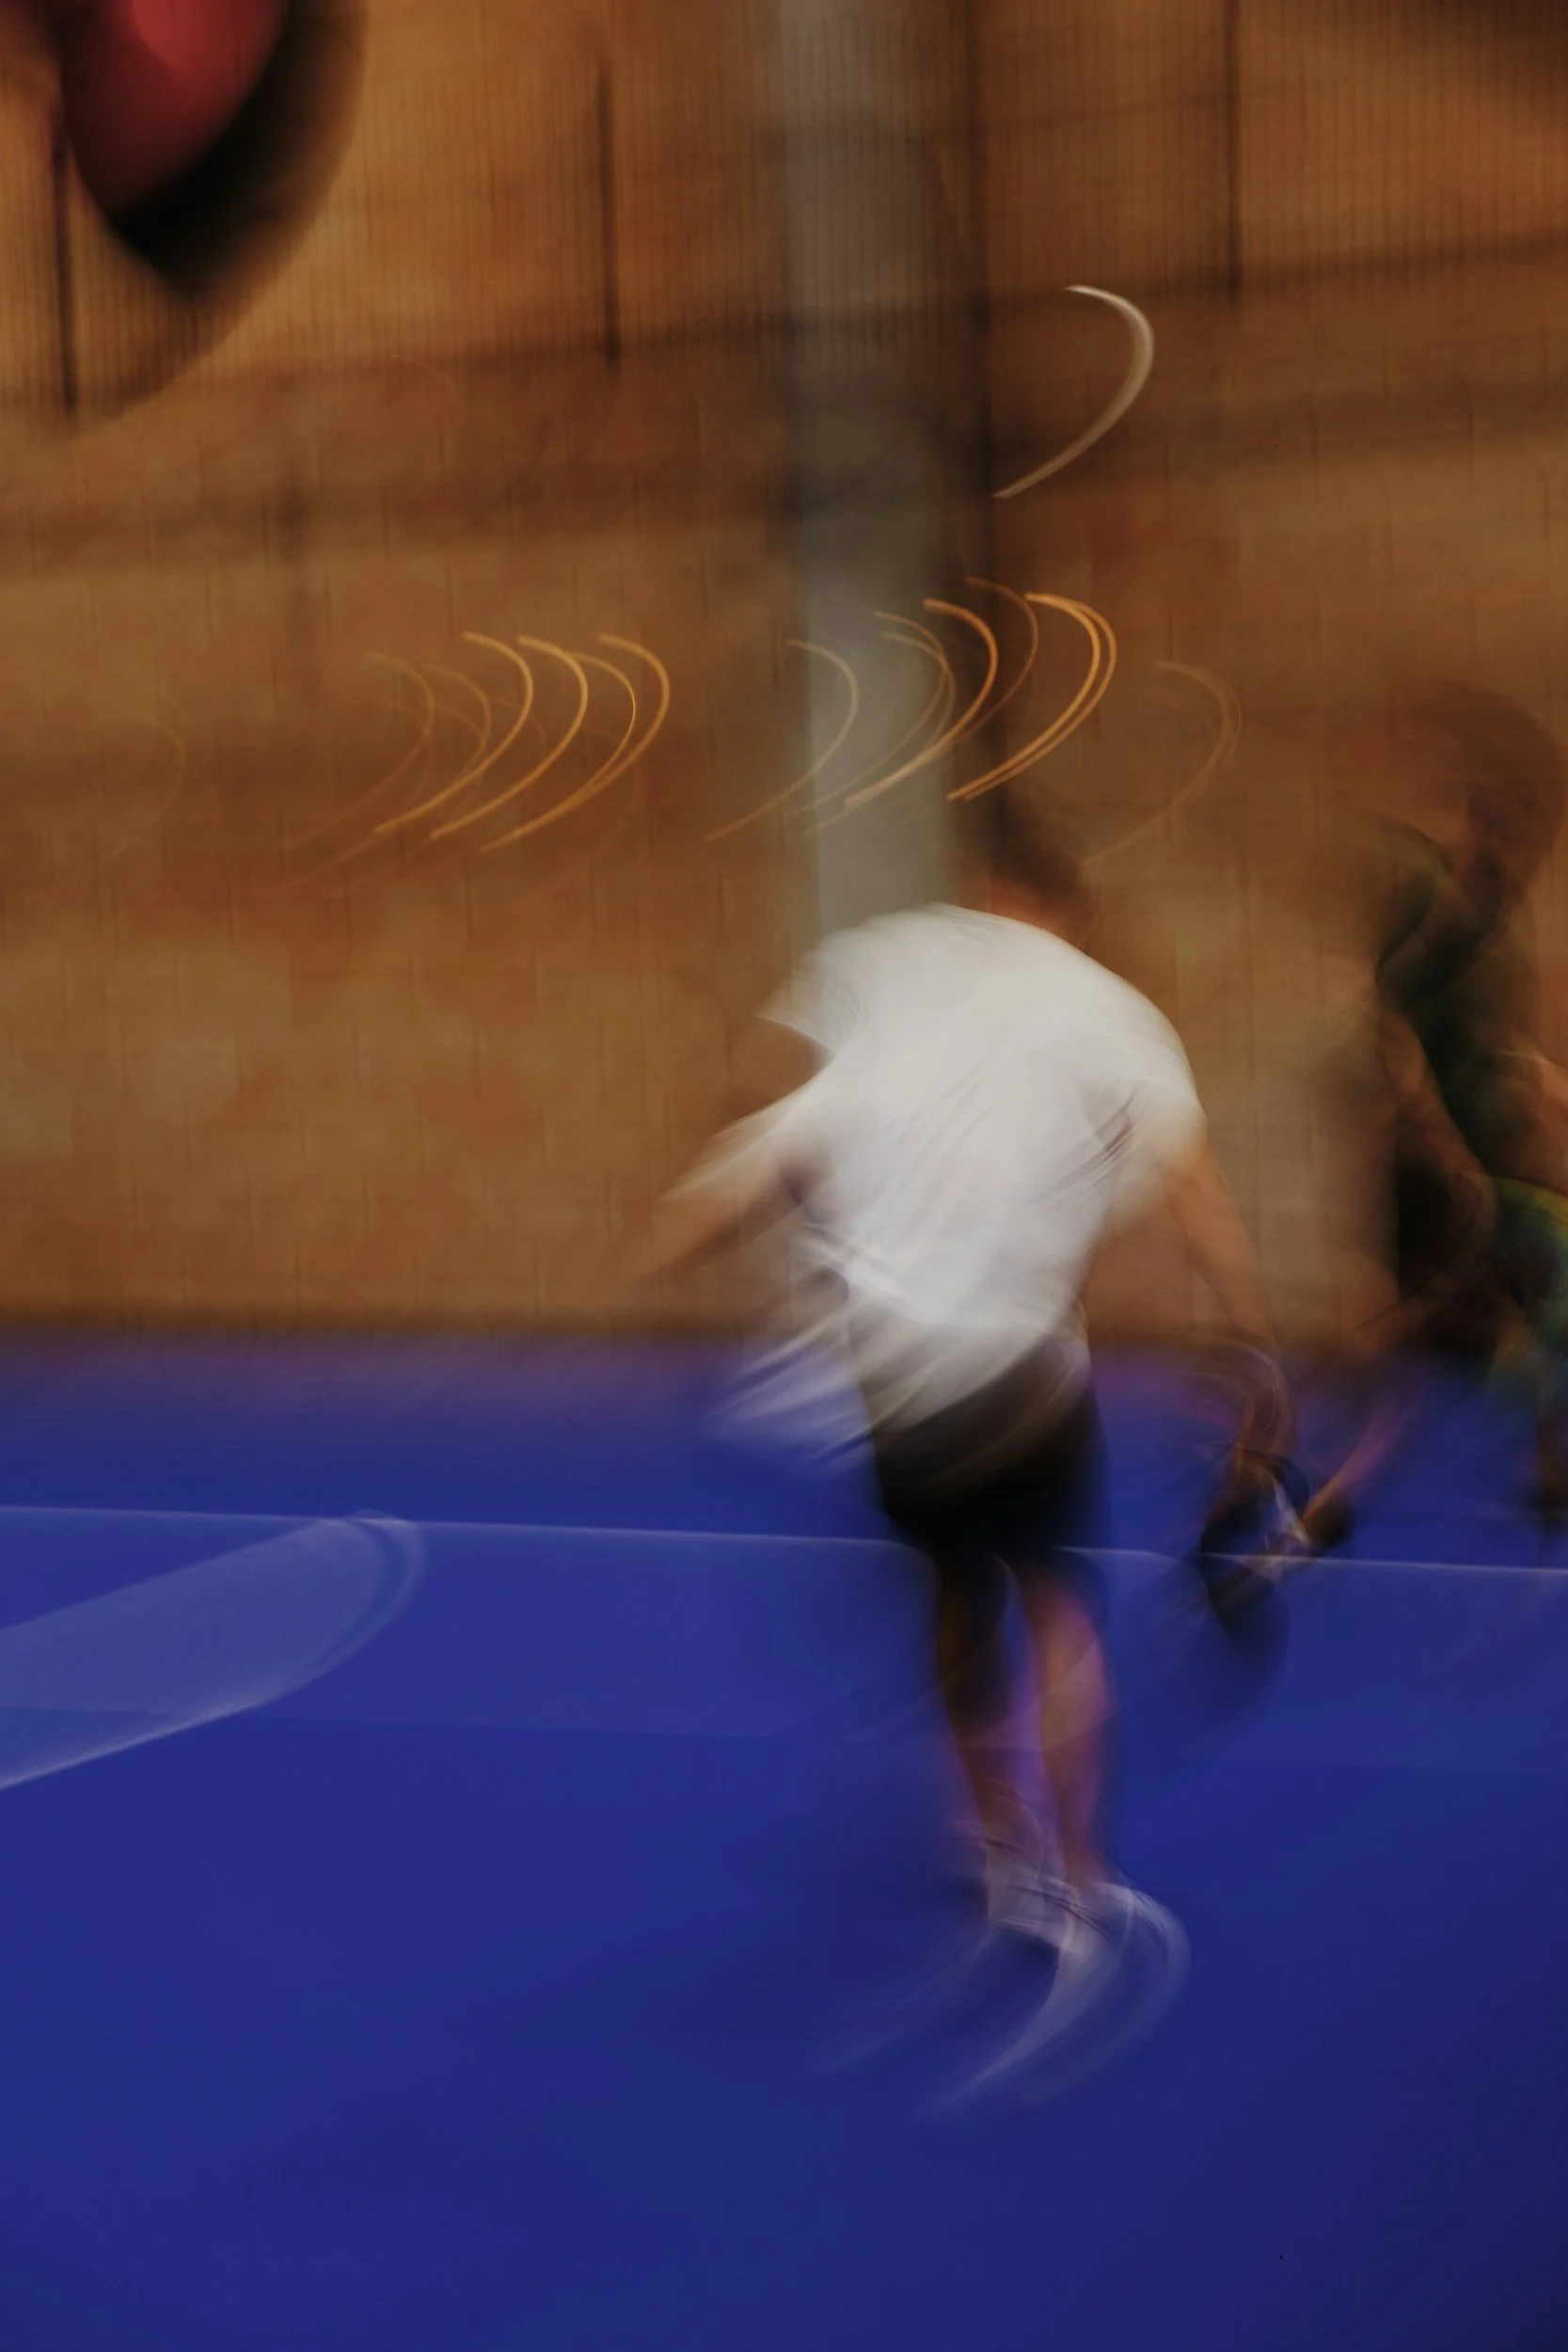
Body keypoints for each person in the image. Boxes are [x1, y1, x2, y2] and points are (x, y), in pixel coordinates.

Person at [629, 787, 1290, 1995]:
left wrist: (725, 1244)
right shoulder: (1105, 1010)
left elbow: (762, 1099)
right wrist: (1250, 1346)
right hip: (1015, 1372)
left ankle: (995, 1851)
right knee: (1053, 1609)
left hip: (889, 1376)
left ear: (982, 890)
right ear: (1067, 913)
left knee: (948, 1596)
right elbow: (1191, 1188)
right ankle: (1079, 1877)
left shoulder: (884, 969)